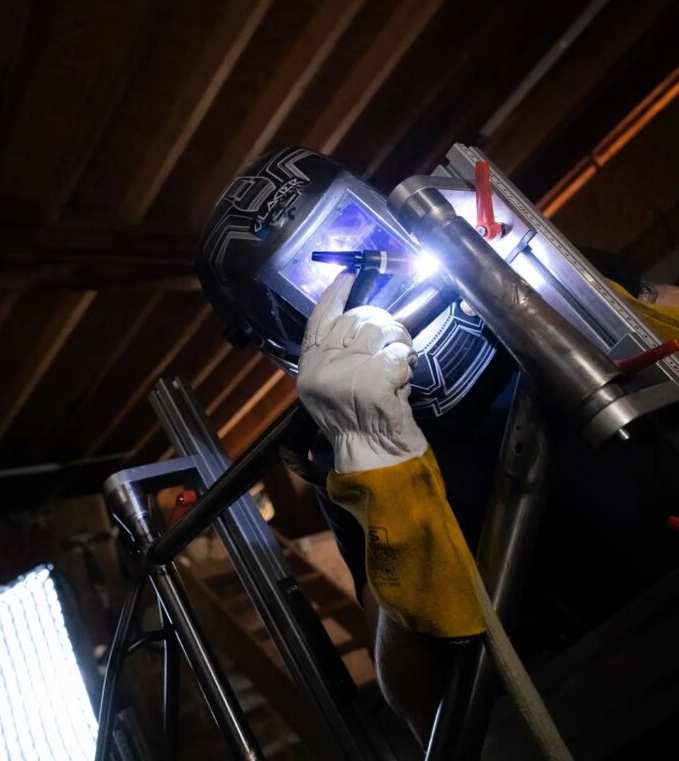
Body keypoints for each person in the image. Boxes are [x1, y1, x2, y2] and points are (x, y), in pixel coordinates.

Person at [197, 146, 679, 745]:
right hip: (619, 681)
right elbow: (418, 703)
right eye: (323, 279)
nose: (368, 273)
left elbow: (664, 309)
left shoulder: (506, 268)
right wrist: (380, 470)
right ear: (289, 338)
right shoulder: (341, 457)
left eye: (357, 235)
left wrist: (590, 295)